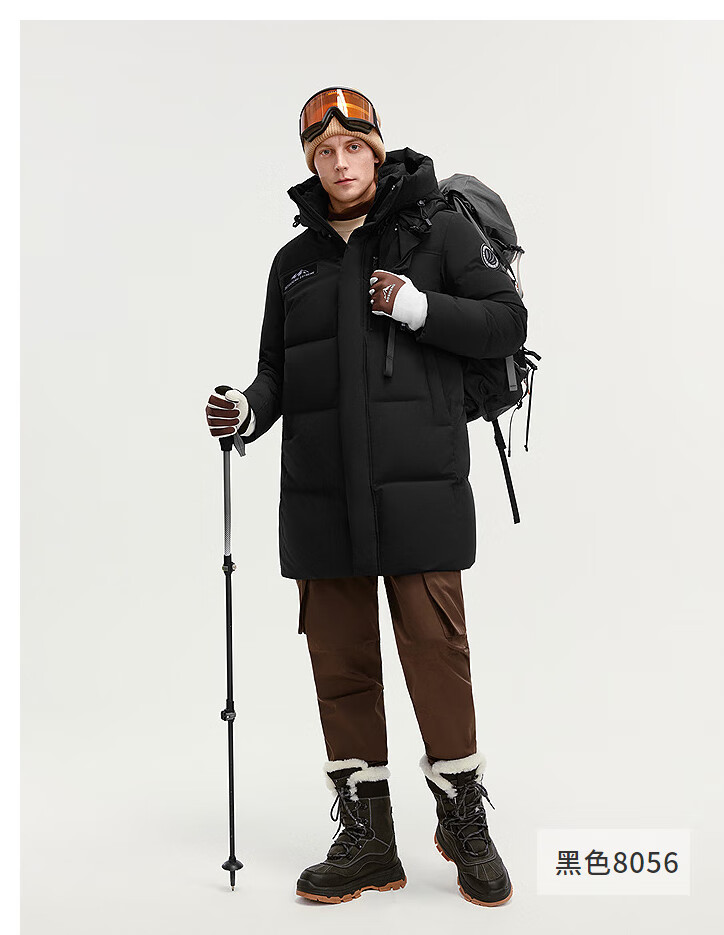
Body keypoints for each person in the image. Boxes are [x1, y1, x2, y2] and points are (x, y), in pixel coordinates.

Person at [205, 87, 527, 907]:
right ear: (311, 162)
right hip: (320, 495)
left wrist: (420, 308)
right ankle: (369, 838)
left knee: (437, 656)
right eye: (324, 152)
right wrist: (248, 409)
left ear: (377, 152)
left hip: (421, 487)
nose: (340, 163)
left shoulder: (437, 231)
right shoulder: (293, 263)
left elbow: (505, 322)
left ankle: (462, 818)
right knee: (341, 665)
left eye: (354, 147)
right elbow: (277, 371)